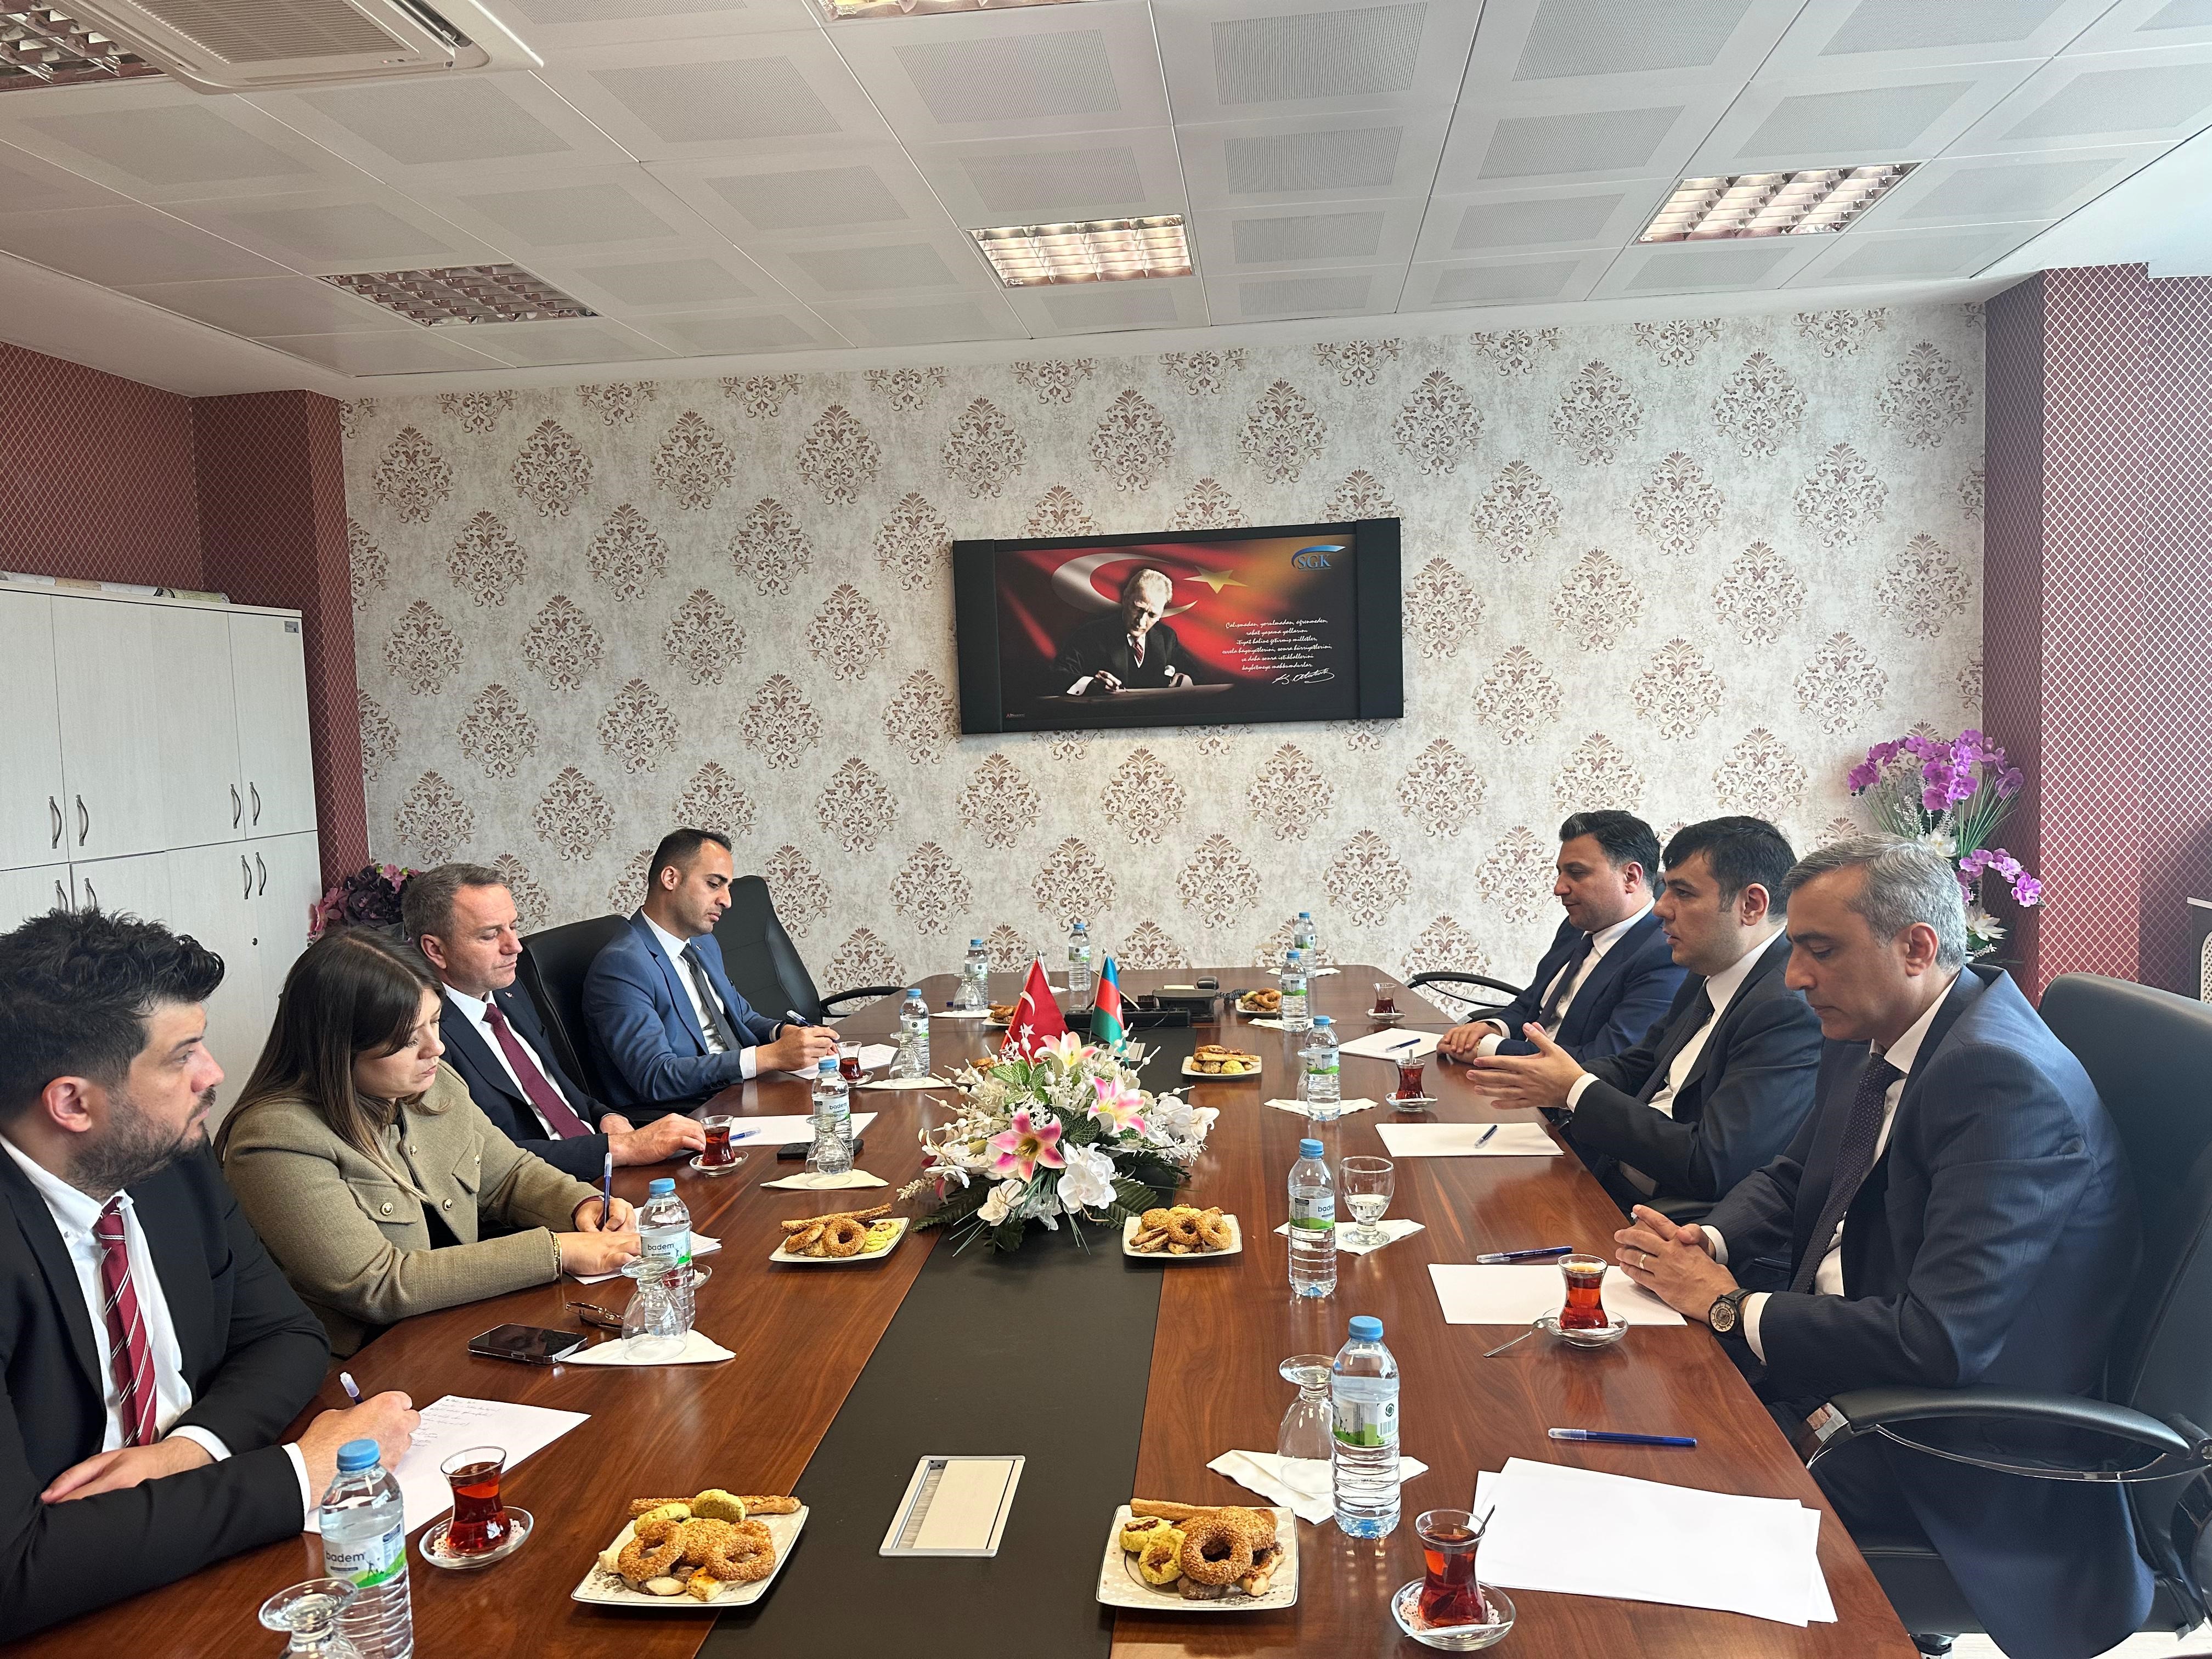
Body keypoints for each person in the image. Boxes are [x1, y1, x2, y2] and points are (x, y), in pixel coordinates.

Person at [1613, 836, 2149, 1659]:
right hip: (1845, 1372)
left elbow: (1940, 1341)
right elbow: (1797, 1174)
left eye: (1820, 951)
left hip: (1942, 1448)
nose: (1794, 977)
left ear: (1917, 948)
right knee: (1620, 1405)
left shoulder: (2002, 1082)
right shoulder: (1875, 1028)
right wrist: (1706, 1238)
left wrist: (1728, 1306)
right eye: (1795, 949)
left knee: (1651, 1523)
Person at [0, 908, 418, 1642]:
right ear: (72, 1102)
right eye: (182, 1056)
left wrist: (189, 1449)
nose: (214, 1073)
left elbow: (287, 1335)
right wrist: (305, 1470)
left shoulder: (171, 1160)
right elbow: (14, 1573)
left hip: (199, 1557)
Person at [217, 929, 640, 1357]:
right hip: (369, 1363)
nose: (435, 1048)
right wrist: (557, 1250)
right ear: (339, 1047)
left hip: (461, 1323)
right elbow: (378, 1284)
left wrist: (580, 1205)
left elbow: (507, 1176)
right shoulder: (275, 1141)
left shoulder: (433, 1085)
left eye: (435, 1021)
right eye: (407, 1040)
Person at [1472, 816, 1821, 1210]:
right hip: (1609, 1176)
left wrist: (1575, 1089)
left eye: (1683, 893)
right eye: (1666, 888)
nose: (1660, 908)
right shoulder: (1708, 969)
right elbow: (1638, 1065)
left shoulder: (1786, 1010)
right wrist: (1547, 1077)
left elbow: (1711, 1166)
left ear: (1751, 905)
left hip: (1667, 1218)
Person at [402, 862, 704, 1179]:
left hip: (600, 1159)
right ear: (435, 950)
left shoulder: (508, 990)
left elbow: (555, 1090)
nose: (515, 947)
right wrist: (619, 1148)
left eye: (513, 927)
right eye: (490, 935)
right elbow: (482, 1159)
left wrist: (605, 1116)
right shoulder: (425, 1036)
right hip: (544, 1185)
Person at [585, 828, 837, 1112]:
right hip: (693, 1111)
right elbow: (655, 1077)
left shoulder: (702, 943)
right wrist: (770, 1057)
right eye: (714, 884)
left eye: (727, 887)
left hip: (744, 1090)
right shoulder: (622, 966)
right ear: (671, 879)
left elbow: (740, 1016)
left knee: (842, 1101)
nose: (727, 901)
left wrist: (783, 1033)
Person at [1437, 810, 1683, 1064]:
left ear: (1630, 877)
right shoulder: (1576, 927)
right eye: (1560, 873)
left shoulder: (1664, 954)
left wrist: (1490, 1048)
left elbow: (1605, 1059)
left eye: (1576, 873)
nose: (1559, 889)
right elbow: (1532, 1002)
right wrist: (1494, 1028)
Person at [1052, 566, 1194, 696]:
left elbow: (1195, 675)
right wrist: (1090, 684)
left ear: (1161, 613)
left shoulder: (1167, 637)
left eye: (1152, 615)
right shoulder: (1090, 634)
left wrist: (1187, 680)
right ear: (1125, 598)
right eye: (1138, 609)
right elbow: (1056, 676)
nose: (1141, 622)